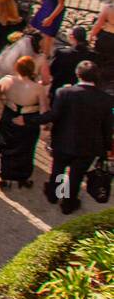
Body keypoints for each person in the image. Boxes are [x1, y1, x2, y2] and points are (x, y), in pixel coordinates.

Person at [37, 61, 114, 214]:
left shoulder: (64, 93)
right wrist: (106, 150)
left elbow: (54, 115)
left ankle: (55, 195)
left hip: (63, 141)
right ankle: (68, 204)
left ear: (77, 74)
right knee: (76, 176)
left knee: (58, 170)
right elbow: (107, 128)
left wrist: (30, 121)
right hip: (88, 146)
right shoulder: (105, 99)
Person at [0, 55, 48, 189]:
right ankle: (23, 177)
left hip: (9, 115)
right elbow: (44, 110)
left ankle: (3, 176)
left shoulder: (6, 80)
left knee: (5, 147)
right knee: (26, 149)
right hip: (28, 119)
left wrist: (6, 100)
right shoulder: (37, 88)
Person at [48, 26, 92, 100]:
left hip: (61, 89)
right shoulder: (92, 55)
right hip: (84, 92)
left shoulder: (62, 53)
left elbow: (52, 70)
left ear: (72, 37)